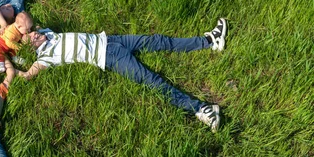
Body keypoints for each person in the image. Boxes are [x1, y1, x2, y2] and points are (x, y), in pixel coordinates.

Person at [18, 19, 229, 132]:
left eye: (31, 31)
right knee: (152, 81)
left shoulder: (48, 33)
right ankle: (201, 109)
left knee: (158, 40)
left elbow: (24, 19)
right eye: (29, 37)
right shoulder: (45, 57)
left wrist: (11, 29)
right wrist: (8, 64)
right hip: (108, 57)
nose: (34, 34)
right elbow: (27, 75)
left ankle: (209, 40)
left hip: (112, 39)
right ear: (28, 48)